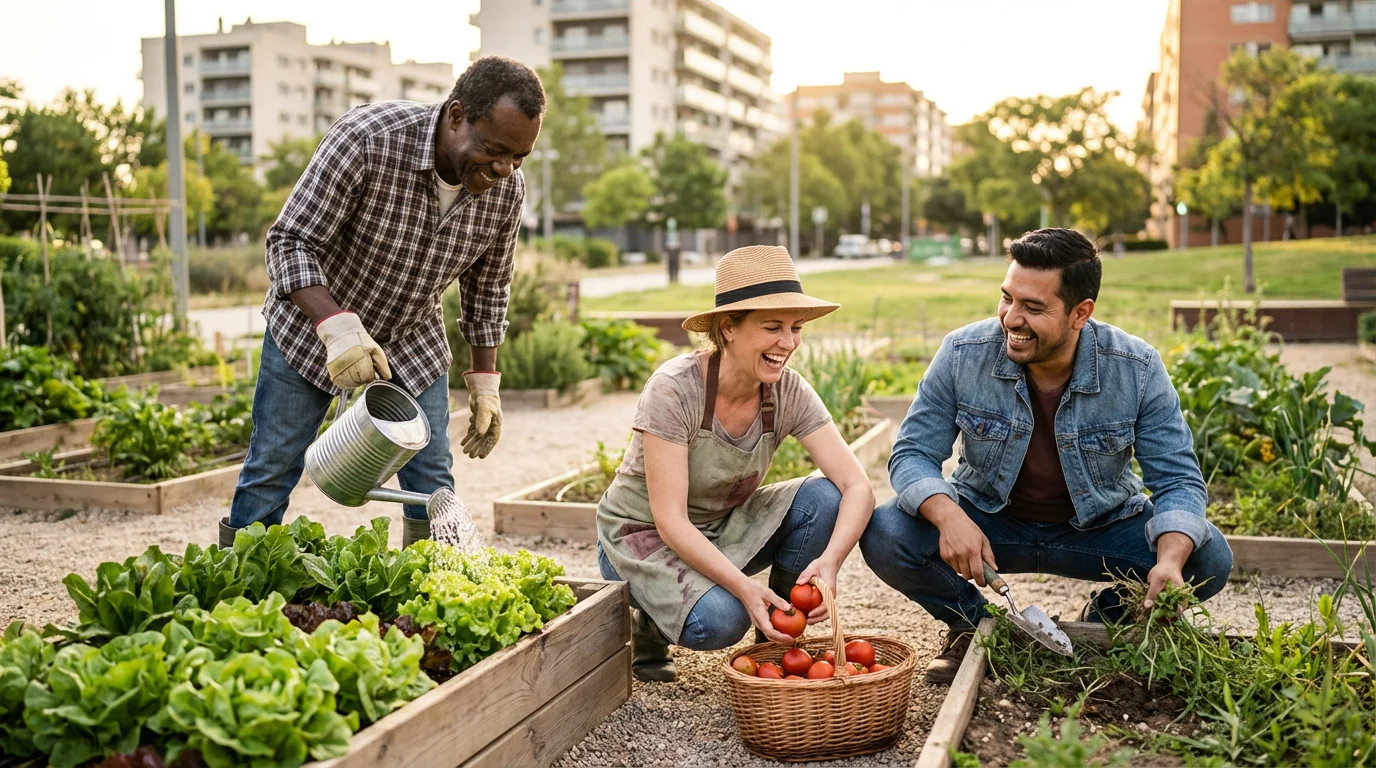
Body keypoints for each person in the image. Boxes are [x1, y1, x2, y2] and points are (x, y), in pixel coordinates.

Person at [860, 228, 1233, 685]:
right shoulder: (962, 354)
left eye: (1033, 308)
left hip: (1100, 528)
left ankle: (1105, 618)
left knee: (1207, 559)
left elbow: (1178, 479)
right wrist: (947, 516)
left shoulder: (1136, 368)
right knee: (886, 532)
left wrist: (1171, 560)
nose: (1011, 319)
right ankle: (974, 625)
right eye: (1007, 299)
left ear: (1081, 313)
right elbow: (913, 453)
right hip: (989, 523)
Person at [219, 56, 546, 548]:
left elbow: (489, 285)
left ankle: (436, 596)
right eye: (496, 150)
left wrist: (485, 381)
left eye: (519, 158)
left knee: (433, 482)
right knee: (273, 464)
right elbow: (289, 241)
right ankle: (239, 594)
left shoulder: (506, 191)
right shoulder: (368, 139)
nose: (505, 168)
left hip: (410, 339)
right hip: (311, 330)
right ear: (457, 116)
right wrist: (337, 328)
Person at [597, 245, 876, 682]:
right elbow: (669, 521)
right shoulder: (674, 390)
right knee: (721, 621)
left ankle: (779, 636)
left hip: (720, 528)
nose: (788, 343)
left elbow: (858, 486)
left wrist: (831, 563)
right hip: (642, 537)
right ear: (728, 328)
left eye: (795, 328)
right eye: (772, 327)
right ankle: (650, 623)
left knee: (824, 496)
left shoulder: (790, 392)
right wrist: (745, 589)